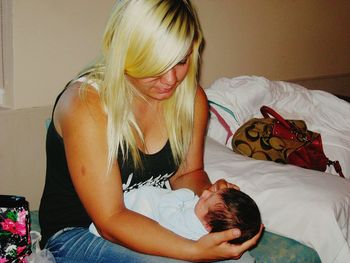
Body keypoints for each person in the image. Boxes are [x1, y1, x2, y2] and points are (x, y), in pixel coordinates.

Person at [38, 0, 263, 262]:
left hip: (151, 217)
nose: (171, 79)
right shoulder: (86, 104)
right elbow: (110, 220)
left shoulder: (190, 99)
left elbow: (187, 174)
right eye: (156, 65)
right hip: (78, 232)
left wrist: (213, 198)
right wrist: (193, 251)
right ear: (126, 53)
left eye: (181, 61)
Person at [89, 186, 262, 244]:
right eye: (211, 192)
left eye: (206, 199)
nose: (204, 193)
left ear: (207, 226)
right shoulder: (208, 231)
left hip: (138, 209)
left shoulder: (188, 224)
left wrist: (185, 193)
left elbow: (166, 209)